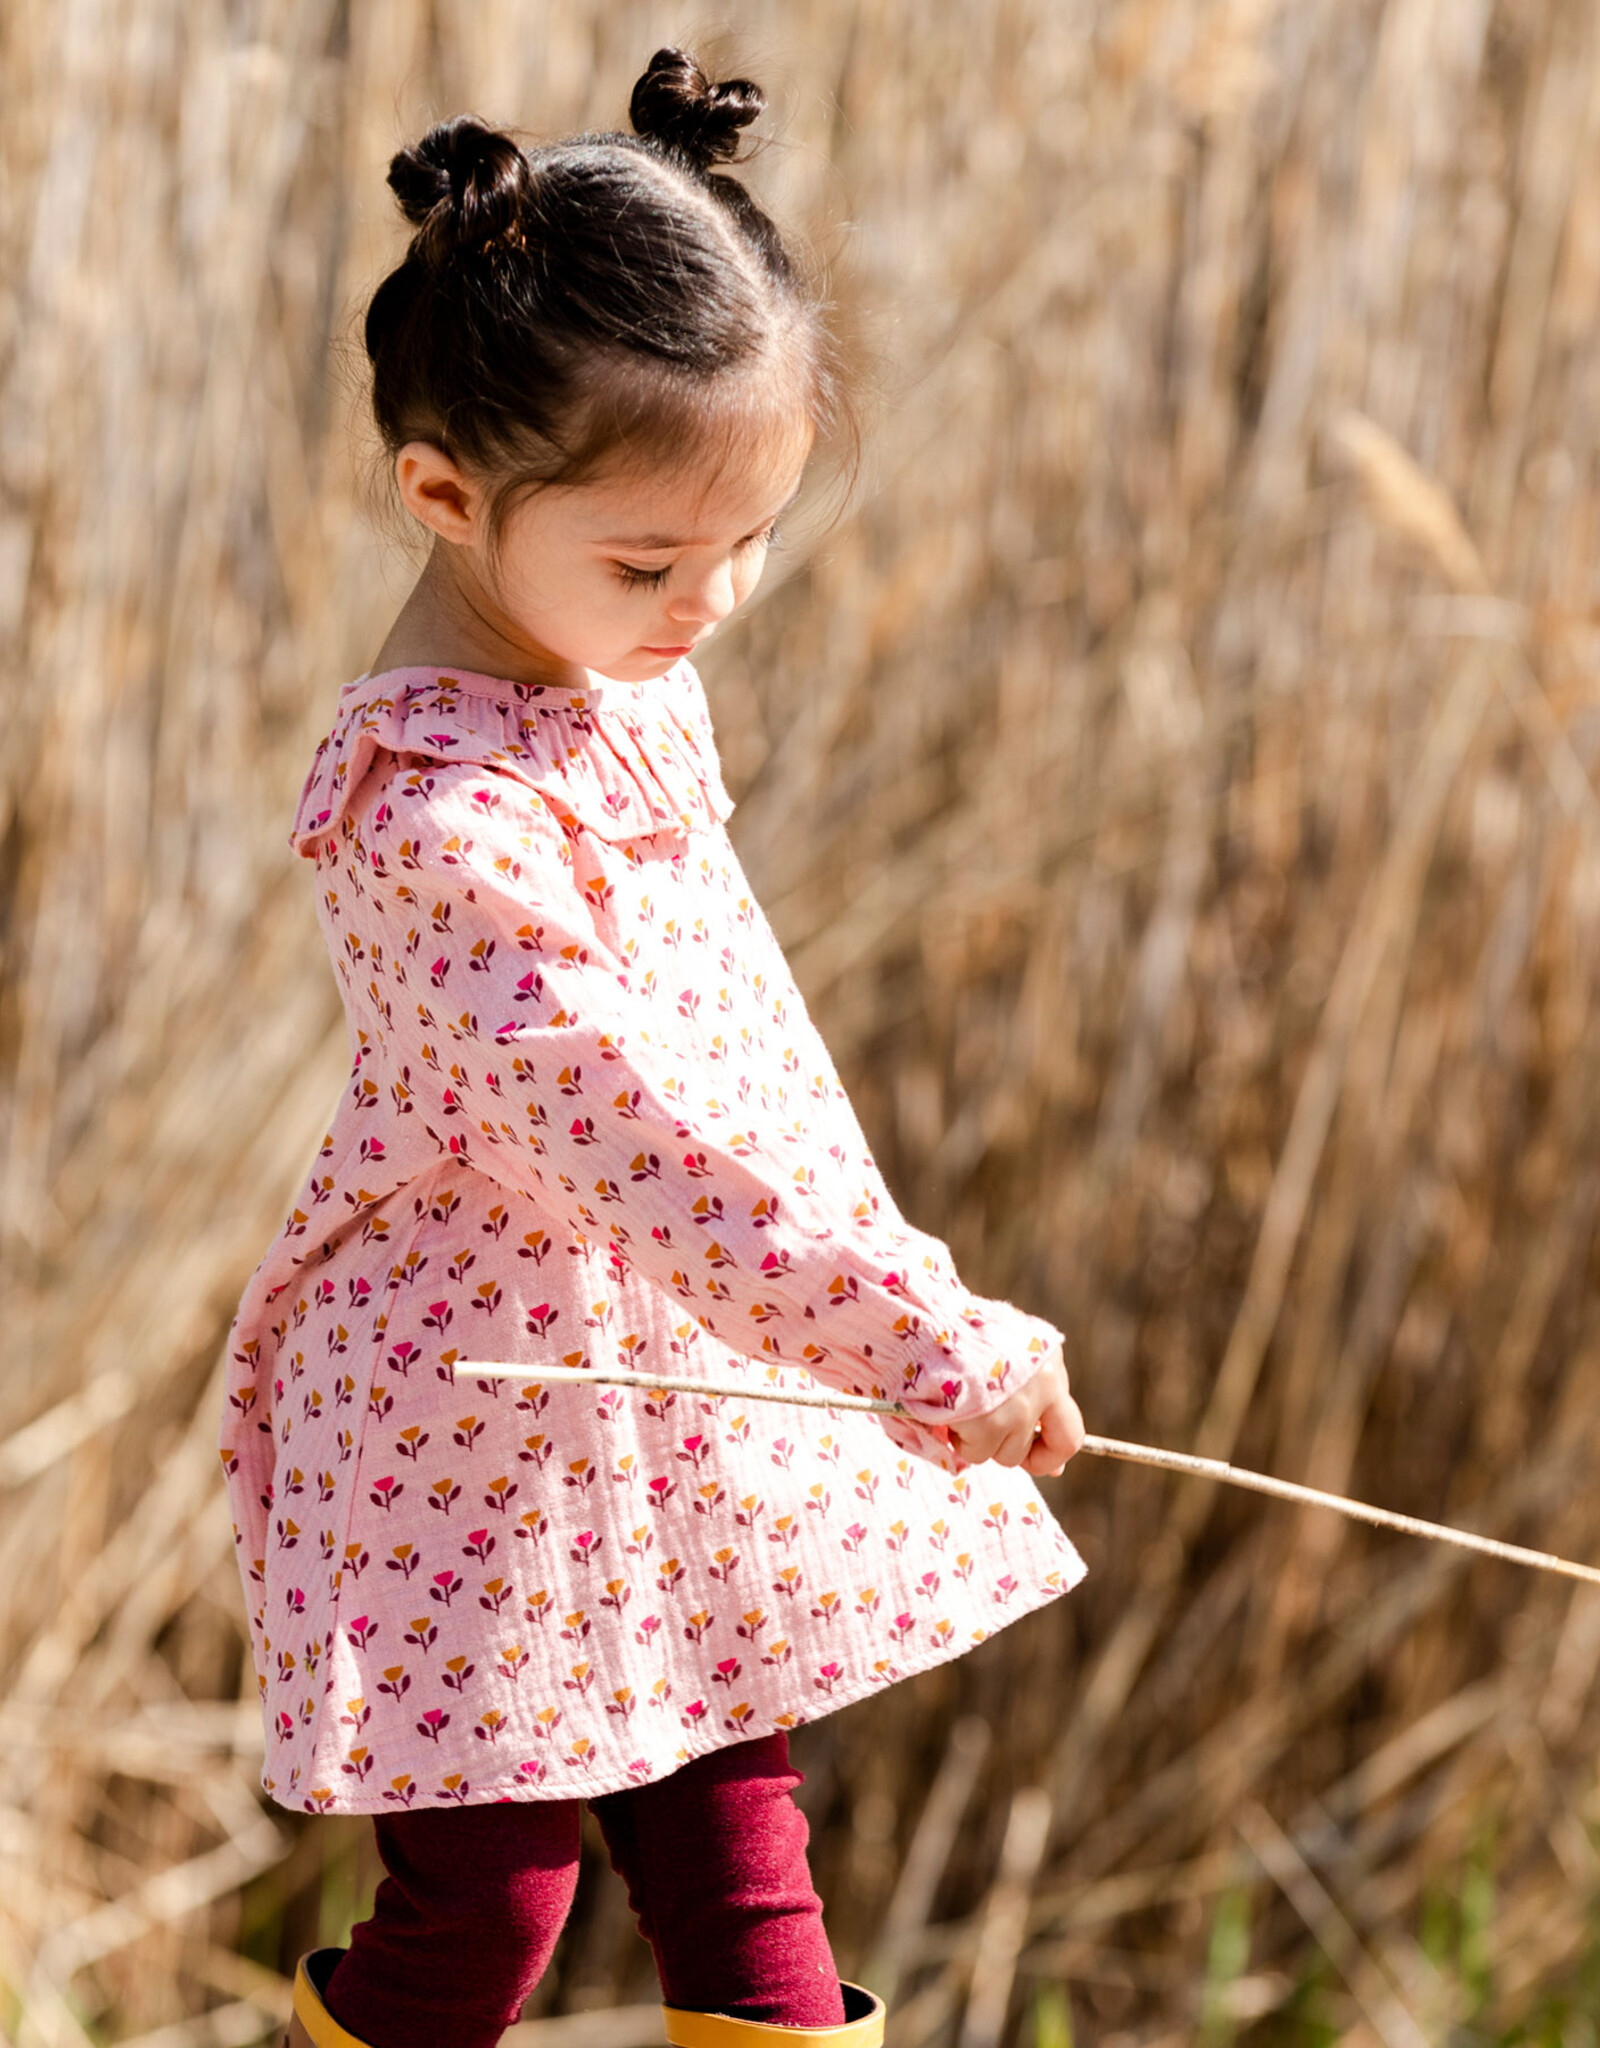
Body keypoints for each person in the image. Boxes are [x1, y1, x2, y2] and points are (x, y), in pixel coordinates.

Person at [218, 47, 1087, 2048]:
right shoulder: (439, 822)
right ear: (442, 495)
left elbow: (749, 1059)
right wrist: (911, 1340)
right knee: (489, 1898)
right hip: (481, 1412)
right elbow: (636, 1133)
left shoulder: (613, 678)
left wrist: (881, 1308)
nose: (706, 605)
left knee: (741, 1857)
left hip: (674, 1390)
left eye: (742, 547)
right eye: (646, 562)